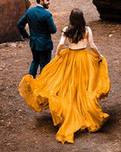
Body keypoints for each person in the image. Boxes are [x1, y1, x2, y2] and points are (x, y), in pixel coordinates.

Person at [18, 8, 110, 144]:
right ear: (82, 18)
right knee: (83, 85)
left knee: (67, 84)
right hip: (84, 59)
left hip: (70, 57)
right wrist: (99, 55)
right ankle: (84, 112)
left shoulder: (67, 29)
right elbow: (92, 45)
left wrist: (58, 55)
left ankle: (70, 112)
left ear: (71, 18)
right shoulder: (87, 30)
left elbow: (60, 44)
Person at [17, 0, 57, 77]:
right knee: (44, 65)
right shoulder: (47, 15)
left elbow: (20, 24)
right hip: (44, 44)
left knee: (35, 62)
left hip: (34, 43)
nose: (49, 2)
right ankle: (41, 85)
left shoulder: (30, 12)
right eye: (47, 0)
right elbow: (53, 30)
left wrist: (26, 35)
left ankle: (30, 83)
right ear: (41, 1)